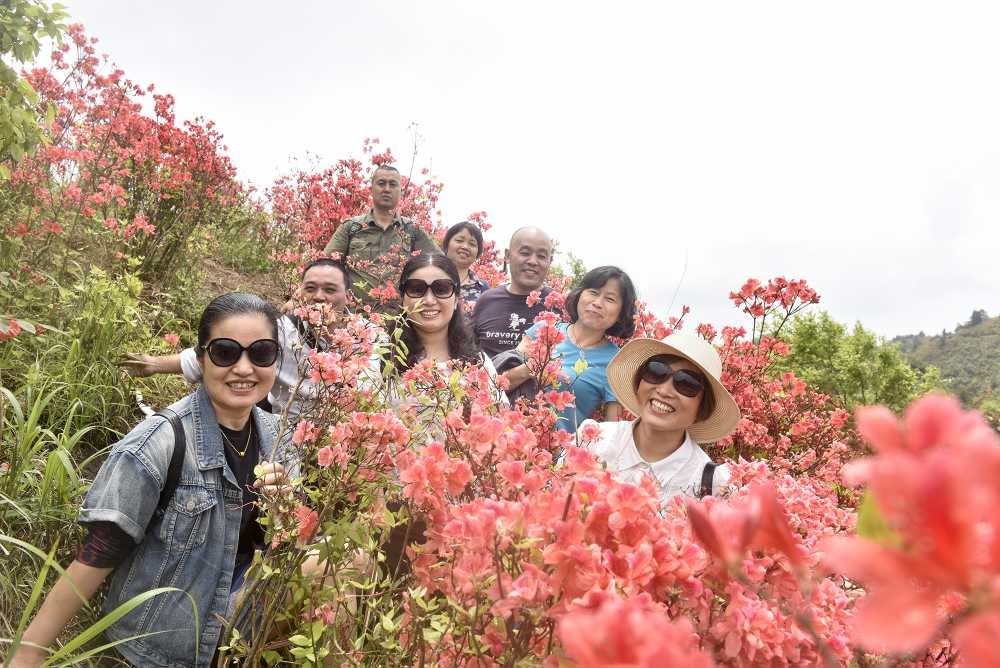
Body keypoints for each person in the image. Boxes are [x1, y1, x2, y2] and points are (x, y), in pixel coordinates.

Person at [7, 293, 296, 668]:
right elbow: (101, 550)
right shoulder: (158, 443)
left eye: (260, 353)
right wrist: (30, 651)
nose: (244, 368)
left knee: (351, 562)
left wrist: (285, 510)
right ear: (201, 357)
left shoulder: (279, 437)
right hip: (159, 645)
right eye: (226, 352)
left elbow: (278, 545)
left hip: (236, 630)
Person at [123, 259, 373, 421]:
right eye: (310, 288)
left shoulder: (370, 338)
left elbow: (371, 397)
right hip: (285, 435)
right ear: (300, 292)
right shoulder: (283, 329)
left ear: (348, 296)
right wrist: (153, 364)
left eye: (330, 290)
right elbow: (222, 354)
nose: (319, 297)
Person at [578, 331, 741, 502]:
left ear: (702, 408)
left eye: (687, 383)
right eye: (656, 371)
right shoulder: (592, 439)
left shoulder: (712, 484)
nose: (664, 391)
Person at [504, 266, 637, 432]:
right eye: (593, 293)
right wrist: (535, 367)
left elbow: (613, 429)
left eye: (610, 299)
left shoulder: (616, 362)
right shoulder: (545, 328)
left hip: (556, 453)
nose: (597, 303)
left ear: (621, 313)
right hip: (508, 436)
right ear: (580, 295)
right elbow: (499, 384)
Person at [322, 165, 439, 309]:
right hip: (357, 320)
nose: (387, 189)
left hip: (400, 321)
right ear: (372, 188)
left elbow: (440, 265)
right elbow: (324, 266)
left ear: (400, 191)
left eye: (393, 184)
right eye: (381, 183)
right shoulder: (351, 227)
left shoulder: (413, 230)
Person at [472, 226, 554, 359]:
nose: (533, 261)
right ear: (508, 255)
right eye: (525, 253)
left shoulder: (560, 307)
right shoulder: (486, 301)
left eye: (541, 256)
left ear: (550, 261)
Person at [441, 221, 490, 304]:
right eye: (459, 240)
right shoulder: (431, 277)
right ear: (447, 245)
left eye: (472, 244)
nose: (465, 247)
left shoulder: (482, 288)